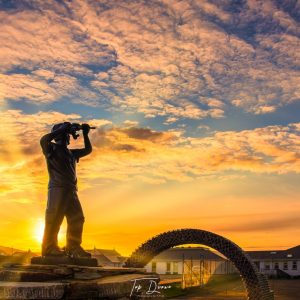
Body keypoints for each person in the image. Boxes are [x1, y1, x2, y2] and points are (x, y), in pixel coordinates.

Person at [40, 122, 92, 258]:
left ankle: (73, 247)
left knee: (77, 218)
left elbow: (87, 150)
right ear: (59, 136)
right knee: (54, 218)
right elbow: (44, 139)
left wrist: (86, 135)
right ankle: (49, 248)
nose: (69, 137)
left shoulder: (71, 153)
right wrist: (62, 128)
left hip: (71, 189)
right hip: (57, 188)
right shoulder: (51, 148)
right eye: (66, 135)